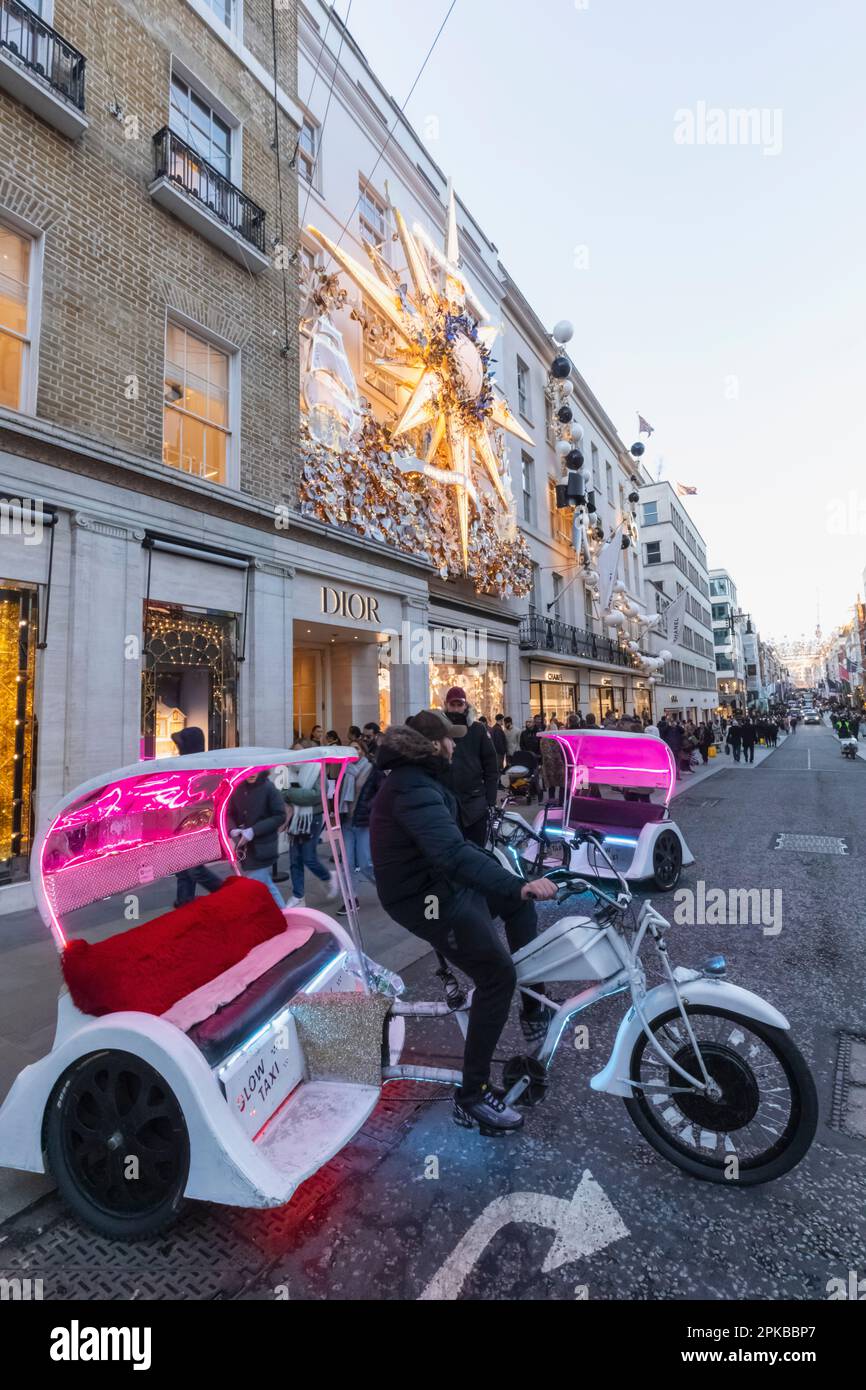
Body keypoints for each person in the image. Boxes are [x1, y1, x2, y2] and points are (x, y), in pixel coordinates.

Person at [370, 710, 557, 1134]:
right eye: (450, 740)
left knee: (516, 904)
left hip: (445, 884)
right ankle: (471, 1095)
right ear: (431, 745)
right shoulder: (411, 788)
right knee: (496, 975)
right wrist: (518, 885)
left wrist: (513, 885)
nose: (456, 745)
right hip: (426, 899)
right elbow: (451, 853)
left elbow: (460, 847)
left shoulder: (424, 779)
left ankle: (533, 1004)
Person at [281, 739, 340, 909]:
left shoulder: (316, 769)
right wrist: (293, 794)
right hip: (295, 819)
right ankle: (298, 896)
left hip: (312, 818)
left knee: (309, 857)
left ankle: (329, 877)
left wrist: (291, 793)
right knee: (294, 859)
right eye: (294, 751)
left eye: (300, 751)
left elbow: (315, 795)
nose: (296, 755)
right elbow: (281, 793)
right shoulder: (289, 771)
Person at [170, 726, 223, 905]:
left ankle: (225, 893)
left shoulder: (203, 768)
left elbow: (205, 797)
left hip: (197, 825)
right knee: (183, 870)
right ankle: (184, 903)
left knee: (193, 869)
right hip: (182, 824)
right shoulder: (183, 766)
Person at [442, 686, 499, 846]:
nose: (455, 708)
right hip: (446, 801)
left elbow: (491, 767)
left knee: (476, 849)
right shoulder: (440, 730)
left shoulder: (477, 729)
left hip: (474, 803)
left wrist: (490, 800)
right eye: (452, 704)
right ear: (446, 705)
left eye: (459, 704)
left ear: (465, 706)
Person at [226, 770, 288, 907]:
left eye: (255, 770)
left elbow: (279, 816)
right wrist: (232, 829)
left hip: (262, 846)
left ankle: (283, 915)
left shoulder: (269, 788)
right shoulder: (237, 787)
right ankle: (283, 915)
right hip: (242, 847)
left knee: (258, 883)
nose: (251, 773)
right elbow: (228, 813)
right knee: (264, 884)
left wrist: (254, 830)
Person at [339, 739, 383, 913]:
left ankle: (385, 887)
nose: (353, 752)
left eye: (356, 748)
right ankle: (351, 899)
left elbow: (382, 793)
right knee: (347, 863)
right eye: (350, 749)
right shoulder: (344, 769)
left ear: (363, 751)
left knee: (365, 863)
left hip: (364, 822)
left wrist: (370, 808)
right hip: (347, 821)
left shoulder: (373, 770)